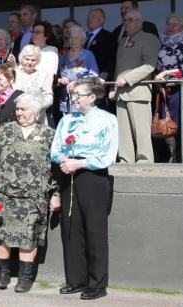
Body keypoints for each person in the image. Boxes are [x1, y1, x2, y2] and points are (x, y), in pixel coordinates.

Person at [0, 92, 59, 292]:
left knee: (29, 235)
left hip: (33, 197)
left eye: (23, 109)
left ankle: (25, 278)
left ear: (36, 110)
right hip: (3, 193)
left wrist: (56, 193)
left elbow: (56, 167)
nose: (19, 113)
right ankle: (3, 274)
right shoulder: (6, 130)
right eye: (17, 109)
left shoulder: (49, 134)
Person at [51, 77, 118, 301]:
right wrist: (63, 159)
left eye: (78, 95)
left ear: (92, 97)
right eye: (73, 95)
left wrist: (79, 163)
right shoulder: (67, 119)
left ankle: (97, 282)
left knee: (94, 229)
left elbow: (108, 154)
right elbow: (56, 147)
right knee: (71, 227)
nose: (74, 99)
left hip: (92, 174)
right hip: (68, 172)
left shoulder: (107, 120)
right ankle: (76, 278)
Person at [110, 9, 158, 163]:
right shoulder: (123, 41)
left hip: (138, 90)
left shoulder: (149, 38)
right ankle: (126, 159)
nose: (126, 23)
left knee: (141, 129)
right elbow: (119, 68)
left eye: (130, 20)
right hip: (122, 91)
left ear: (140, 22)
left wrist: (128, 79)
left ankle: (144, 159)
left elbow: (149, 65)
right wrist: (114, 88)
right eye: (125, 20)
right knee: (124, 131)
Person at [154, 13, 183, 163]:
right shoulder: (162, 42)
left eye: (174, 24)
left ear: (182, 27)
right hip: (166, 87)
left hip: (182, 87)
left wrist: (166, 73)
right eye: (168, 24)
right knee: (167, 122)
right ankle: (171, 155)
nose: (170, 27)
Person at [58, 26, 100, 114]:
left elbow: (94, 76)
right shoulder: (62, 55)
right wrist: (60, 80)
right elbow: (55, 75)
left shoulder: (88, 55)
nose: (73, 40)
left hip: (82, 98)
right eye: (71, 37)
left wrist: (76, 83)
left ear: (82, 41)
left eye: (76, 38)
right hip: (65, 98)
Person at [14, 45, 54, 125]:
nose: (29, 63)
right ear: (22, 59)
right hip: (16, 115)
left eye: (33, 60)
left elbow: (48, 96)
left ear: (37, 61)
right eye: (27, 59)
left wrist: (38, 107)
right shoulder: (14, 73)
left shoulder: (42, 75)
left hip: (36, 117)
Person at [84, 8, 118, 81]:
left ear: (102, 20)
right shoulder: (82, 37)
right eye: (88, 17)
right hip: (81, 79)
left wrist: (104, 74)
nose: (89, 19)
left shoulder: (109, 36)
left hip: (99, 80)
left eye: (93, 17)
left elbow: (111, 59)